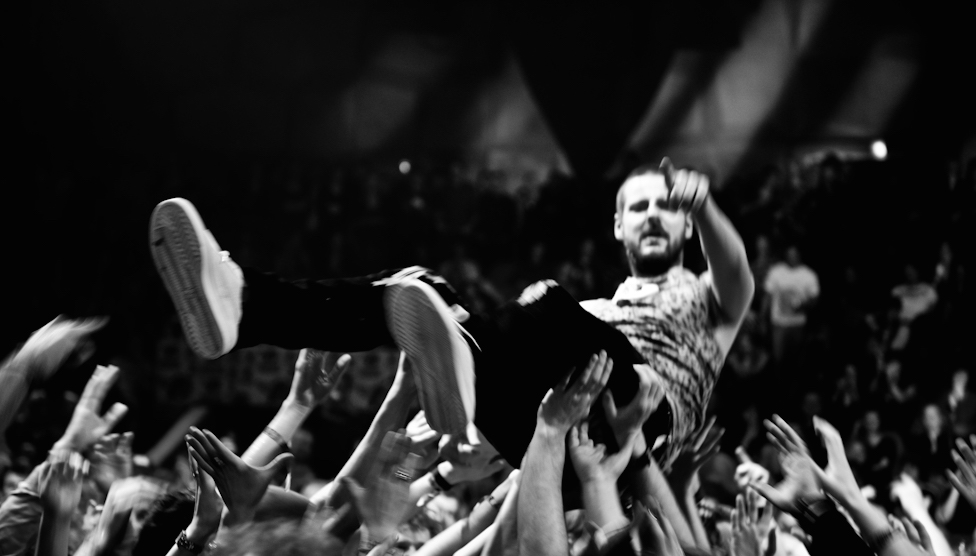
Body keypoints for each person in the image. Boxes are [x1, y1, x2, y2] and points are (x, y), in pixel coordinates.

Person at [147, 157, 753, 473]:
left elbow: (737, 277)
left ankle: (464, 354)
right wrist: (421, 452)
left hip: (639, 433)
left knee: (543, 304)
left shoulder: (706, 300)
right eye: (639, 206)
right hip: (556, 446)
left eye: (666, 206)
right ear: (617, 225)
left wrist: (705, 208)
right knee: (419, 288)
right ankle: (249, 306)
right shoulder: (597, 313)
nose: (654, 214)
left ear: (684, 220)